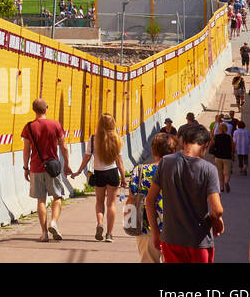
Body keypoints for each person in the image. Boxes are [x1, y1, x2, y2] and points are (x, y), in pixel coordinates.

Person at [149, 123, 224, 263]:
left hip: (170, 239)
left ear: (183, 142)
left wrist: (155, 233)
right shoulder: (209, 169)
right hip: (198, 241)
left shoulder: (166, 162)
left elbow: (149, 201)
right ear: (206, 145)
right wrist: (217, 219)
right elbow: (217, 209)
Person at [22, 98, 71, 242]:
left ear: (34, 110)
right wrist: (66, 164)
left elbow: (26, 150)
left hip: (36, 168)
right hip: (53, 168)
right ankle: (54, 222)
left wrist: (26, 167)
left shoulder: (29, 127)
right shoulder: (55, 124)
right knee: (57, 197)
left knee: (41, 200)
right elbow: (64, 147)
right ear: (46, 109)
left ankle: (44, 233)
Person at [71, 112, 126, 241]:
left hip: (99, 173)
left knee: (99, 202)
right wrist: (123, 178)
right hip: (112, 173)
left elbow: (87, 157)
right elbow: (120, 162)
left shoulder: (93, 139)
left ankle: (100, 223)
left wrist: (78, 171)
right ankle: (109, 234)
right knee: (111, 204)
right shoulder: (117, 139)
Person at [128, 132, 173, 263]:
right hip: (172, 229)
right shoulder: (177, 170)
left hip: (145, 226)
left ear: (153, 151)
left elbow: (132, 198)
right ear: (173, 151)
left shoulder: (139, 170)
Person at [210, 121, 234, 192]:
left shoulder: (216, 137)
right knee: (227, 172)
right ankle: (226, 182)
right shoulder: (229, 137)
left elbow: (211, 144)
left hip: (218, 156)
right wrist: (232, 154)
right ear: (226, 129)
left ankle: (221, 187)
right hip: (227, 157)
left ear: (219, 129)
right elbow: (232, 147)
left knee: (220, 172)